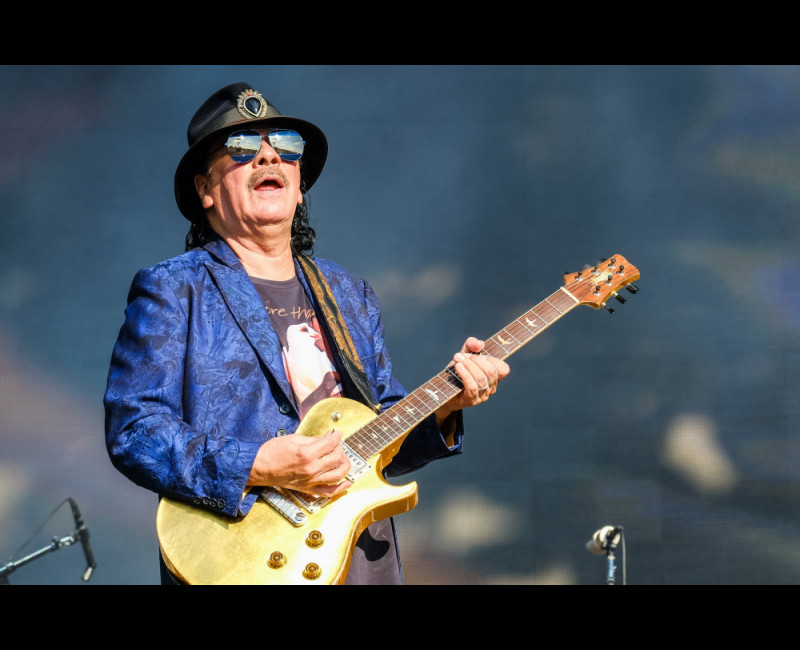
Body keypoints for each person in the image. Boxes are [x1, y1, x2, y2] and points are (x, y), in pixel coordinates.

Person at [104, 82, 509, 585]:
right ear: (205, 189)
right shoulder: (174, 288)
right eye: (241, 147)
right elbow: (135, 432)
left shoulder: (348, 293)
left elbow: (383, 435)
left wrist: (446, 405)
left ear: (299, 187)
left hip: (358, 556)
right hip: (247, 559)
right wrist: (256, 464)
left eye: (286, 146)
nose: (268, 156)